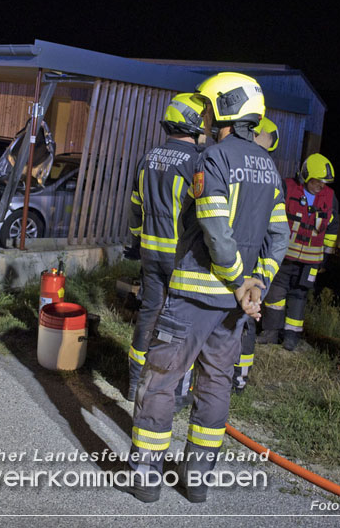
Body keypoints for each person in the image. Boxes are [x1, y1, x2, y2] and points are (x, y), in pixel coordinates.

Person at [126, 72, 289, 504]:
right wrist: (258, 284)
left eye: (209, 108)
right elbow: (280, 235)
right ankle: (197, 481)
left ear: (224, 110)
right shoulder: (269, 166)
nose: (205, 117)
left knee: (160, 382)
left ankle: (146, 478)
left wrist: (239, 282)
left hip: (195, 297)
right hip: (234, 310)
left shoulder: (212, 159)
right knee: (216, 385)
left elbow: (216, 232)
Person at [126, 93, 206, 402]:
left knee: (149, 315)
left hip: (150, 251)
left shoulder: (149, 157)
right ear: (194, 123)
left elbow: (135, 208)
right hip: (181, 256)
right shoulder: (197, 161)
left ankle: (134, 387)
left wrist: (138, 240)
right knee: (179, 324)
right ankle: (170, 393)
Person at [257, 153, 339, 351]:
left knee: (299, 296)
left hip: (311, 261)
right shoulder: (287, 188)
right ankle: (270, 332)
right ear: (305, 175)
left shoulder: (330, 197)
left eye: (324, 183)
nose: (321, 186)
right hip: (284, 256)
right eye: (317, 181)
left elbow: (333, 228)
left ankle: (291, 337)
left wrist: (325, 258)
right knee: (275, 294)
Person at [233, 116, 281, 392]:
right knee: (243, 320)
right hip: (253, 261)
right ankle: (237, 378)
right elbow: (278, 235)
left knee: (243, 320)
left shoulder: (247, 165)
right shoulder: (269, 171)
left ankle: (237, 376)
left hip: (243, 261)